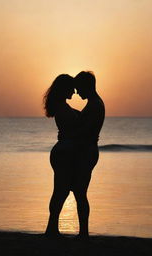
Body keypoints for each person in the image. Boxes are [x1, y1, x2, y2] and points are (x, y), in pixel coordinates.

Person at [43, 71, 105, 239]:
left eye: (78, 88)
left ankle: (70, 231)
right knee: (65, 192)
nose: (76, 92)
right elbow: (79, 129)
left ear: (87, 86)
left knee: (73, 192)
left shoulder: (93, 105)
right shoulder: (67, 108)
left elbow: (81, 129)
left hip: (74, 153)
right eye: (72, 88)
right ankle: (55, 229)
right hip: (67, 154)